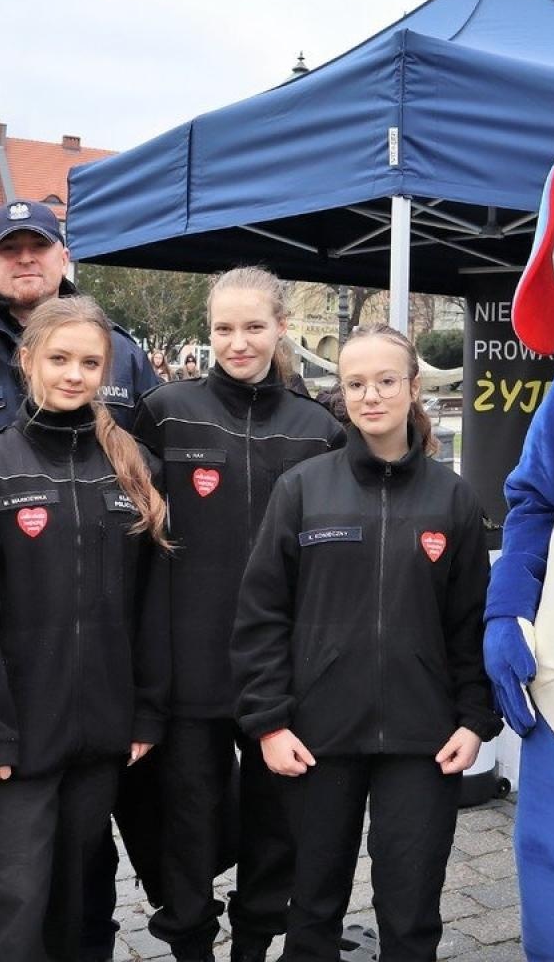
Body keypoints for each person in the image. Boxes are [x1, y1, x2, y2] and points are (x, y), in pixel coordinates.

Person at [0, 199, 160, 962]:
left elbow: (148, 517)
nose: (24, 260)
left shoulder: (125, 355)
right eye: (8, 249)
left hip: (92, 695)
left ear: (62, 257)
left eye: (38, 248)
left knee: (80, 874)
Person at [233, 325, 501, 961]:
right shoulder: (302, 489)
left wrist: (474, 719)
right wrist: (269, 723)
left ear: (413, 388)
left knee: (411, 914)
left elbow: (471, 622)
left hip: (423, 739)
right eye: (355, 383)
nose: (371, 395)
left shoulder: (452, 497)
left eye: (385, 381)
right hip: (317, 736)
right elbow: (261, 615)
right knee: (312, 908)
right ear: (341, 392)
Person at [133, 266, 344, 962]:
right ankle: (191, 944)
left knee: (275, 826)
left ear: (282, 327)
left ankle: (253, 946)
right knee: (186, 827)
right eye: (224, 328)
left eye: (254, 326)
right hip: (190, 669)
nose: (238, 342)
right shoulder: (165, 411)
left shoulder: (319, 429)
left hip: (283, 675)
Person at [0, 296, 171, 961]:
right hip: (15, 736)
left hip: (101, 732)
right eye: (59, 359)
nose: (74, 375)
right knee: (18, 903)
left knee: (79, 900)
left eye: (90, 363)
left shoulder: (136, 468)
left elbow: (152, 605)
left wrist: (145, 713)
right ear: (28, 361)